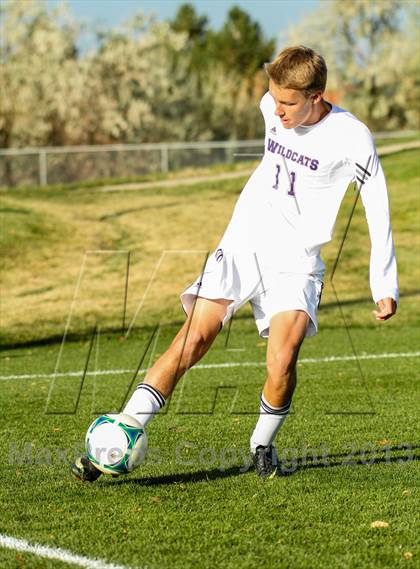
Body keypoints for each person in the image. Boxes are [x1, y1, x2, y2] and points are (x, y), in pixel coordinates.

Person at [72, 45, 398, 482]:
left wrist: (384, 285)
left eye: (289, 103)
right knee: (194, 339)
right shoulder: (271, 104)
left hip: (296, 263)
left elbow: (378, 207)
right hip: (245, 242)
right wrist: (277, 100)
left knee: (282, 360)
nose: (276, 110)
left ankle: (262, 444)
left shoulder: (352, 137)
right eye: (273, 98)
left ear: (317, 95)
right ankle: (118, 436)